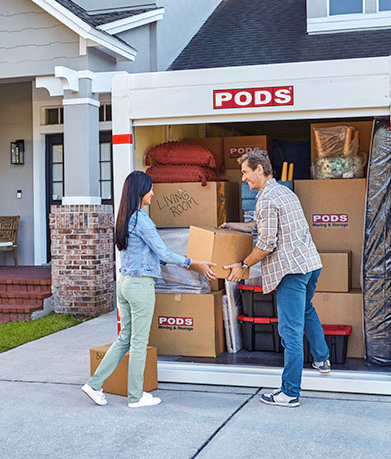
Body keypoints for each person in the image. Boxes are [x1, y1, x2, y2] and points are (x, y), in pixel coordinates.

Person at [82, 171, 216, 408]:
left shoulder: (124, 217)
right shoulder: (142, 220)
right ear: (140, 191)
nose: (153, 193)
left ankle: (94, 385)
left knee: (125, 338)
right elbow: (163, 252)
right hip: (140, 286)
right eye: (151, 188)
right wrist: (194, 264)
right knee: (139, 341)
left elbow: (152, 254)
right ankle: (135, 396)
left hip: (124, 284)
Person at [222, 150, 329, 408]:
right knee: (306, 309)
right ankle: (322, 359)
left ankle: (290, 392)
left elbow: (267, 243)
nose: (244, 178)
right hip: (310, 265)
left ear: (260, 169)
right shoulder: (284, 192)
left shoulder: (267, 199)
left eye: (246, 172)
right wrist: (231, 226)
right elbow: (261, 227)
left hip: (291, 271)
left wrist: (243, 265)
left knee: (289, 332)